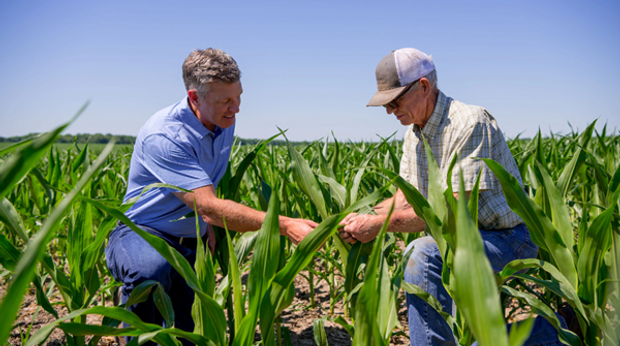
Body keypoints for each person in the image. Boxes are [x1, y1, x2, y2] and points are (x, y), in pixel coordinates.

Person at [339, 48, 581, 346]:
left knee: (422, 254)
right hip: (462, 241)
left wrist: (378, 226)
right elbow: (404, 199)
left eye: (395, 100)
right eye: (385, 105)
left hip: (507, 238)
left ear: (424, 87)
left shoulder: (469, 123)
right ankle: (562, 328)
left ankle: (561, 330)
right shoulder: (414, 133)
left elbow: (450, 217)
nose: (390, 111)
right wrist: (360, 218)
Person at [105, 48, 317, 344]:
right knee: (151, 275)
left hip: (191, 237)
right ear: (194, 98)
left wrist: (210, 226)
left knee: (185, 334)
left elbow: (207, 181)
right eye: (226, 100)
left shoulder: (221, 119)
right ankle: (129, 318)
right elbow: (207, 205)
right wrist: (285, 225)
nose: (236, 107)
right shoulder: (165, 135)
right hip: (143, 233)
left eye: (238, 96)